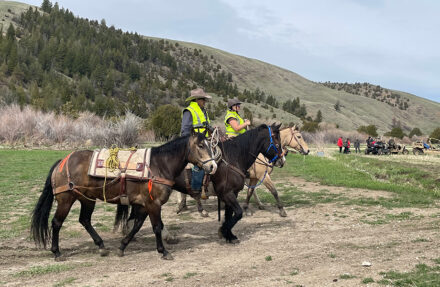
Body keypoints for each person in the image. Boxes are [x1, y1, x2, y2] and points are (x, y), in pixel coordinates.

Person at [180, 88, 212, 194]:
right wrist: (192, 143)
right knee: (200, 164)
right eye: (203, 99)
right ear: (197, 99)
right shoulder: (189, 111)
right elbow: (185, 131)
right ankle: (196, 189)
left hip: (205, 141)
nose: (205, 101)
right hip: (194, 144)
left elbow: (206, 125)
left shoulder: (203, 111)